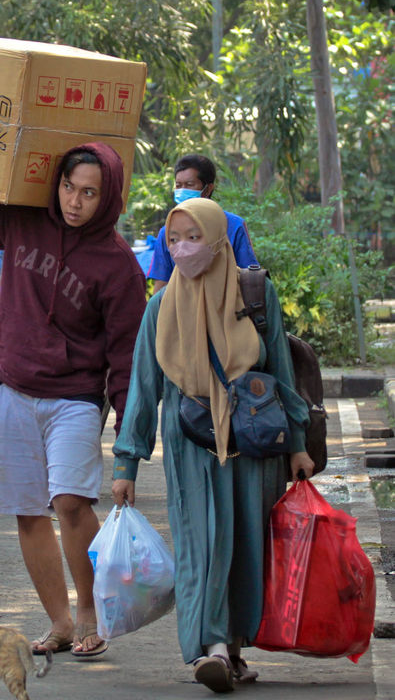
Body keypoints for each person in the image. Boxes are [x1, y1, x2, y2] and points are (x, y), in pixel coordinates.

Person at [0, 110, 147, 658]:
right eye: (69, 188)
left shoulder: (119, 265)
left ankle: (88, 609)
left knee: (70, 502)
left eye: (90, 194)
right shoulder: (22, 221)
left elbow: (126, 355)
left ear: (109, 198)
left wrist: (128, 440)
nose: (76, 202)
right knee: (28, 510)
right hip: (10, 385)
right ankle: (57, 623)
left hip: (74, 397)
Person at [111, 197, 315, 692]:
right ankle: (213, 646)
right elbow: (143, 387)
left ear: (219, 238)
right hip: (190, 443)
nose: (183, 249)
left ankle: (235, 648)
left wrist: (299, 445)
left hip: (254, 440)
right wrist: (126, 463)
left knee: (246, 542)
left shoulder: (257, 293)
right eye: (173, 240)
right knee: (201, 544)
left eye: (193, 238)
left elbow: (282, 374)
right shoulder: (160, 308)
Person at [148, 154, 257, 292]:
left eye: (189, 185)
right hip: (183, 308)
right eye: (178, 185)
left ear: (208, 189)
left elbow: (248, 277)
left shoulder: (233, 226)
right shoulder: (168, 232)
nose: (182, 191)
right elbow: (161, 284)